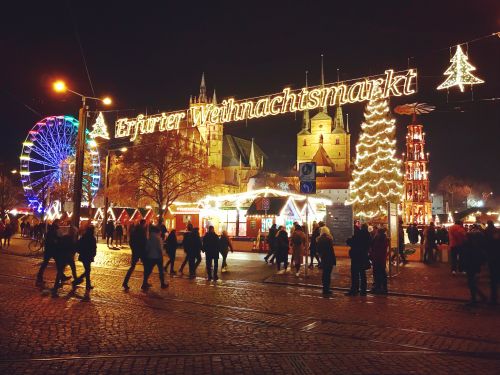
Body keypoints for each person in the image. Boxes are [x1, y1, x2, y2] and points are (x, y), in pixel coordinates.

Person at [462, 225, 487, 306]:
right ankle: (479, 297)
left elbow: (466, 256)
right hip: (473, 266)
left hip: (470, 266)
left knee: (471, 283)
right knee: (472, 282)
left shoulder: (468, 246)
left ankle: (475, 299)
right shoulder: (475, 246)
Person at [52, 225, 79, 297]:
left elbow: (59, 245)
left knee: (61, 272)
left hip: (63, 256)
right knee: (71, 269)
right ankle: (75, 281)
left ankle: (55, 290)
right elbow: (74, 248)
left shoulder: (65, 237)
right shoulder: (72, 239)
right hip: (67, 257)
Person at [346, 223, 371, 296]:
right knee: (363, 274)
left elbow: (351, 242)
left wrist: (349, 240)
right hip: (363, 256)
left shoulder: (359, 234)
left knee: (355, 274)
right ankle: (363, 290)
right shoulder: (368, 235)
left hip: (356, 256)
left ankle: (354, 289)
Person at [73, 225, 97, 299]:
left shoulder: (84, 236)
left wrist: (81, 251)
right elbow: (94, 247)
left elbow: (78, 245)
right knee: (87, 270)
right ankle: (79, 282)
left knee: (88, 270)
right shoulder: (92, 238)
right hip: (88, 256)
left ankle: (86, 284)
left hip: (84, 255)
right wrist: (93, 253)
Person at [122, 220, 147, 290]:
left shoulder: (134, 231)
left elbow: (131, 242)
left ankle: (125, 282)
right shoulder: (142, 231)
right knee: (146, 267)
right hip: (141, 251)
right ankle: (144, 283)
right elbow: (144, 241)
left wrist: (133, 249)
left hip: (135, 251)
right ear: (143, 224)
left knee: (132, 267)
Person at [142, 225, 168, 291]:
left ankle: (144, 283)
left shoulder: (149, 238)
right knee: (161, 271)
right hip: (158, 257)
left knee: (148, 270)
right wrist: (161, 255)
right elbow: (159, 248)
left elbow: (147, 248)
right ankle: (162, 284)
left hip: (150, 257)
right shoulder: (157, 238)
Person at [36, 220, 62, 286]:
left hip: (49, 249)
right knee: (57, 264)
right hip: (52, 249)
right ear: (56, 223)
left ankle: (39, 278)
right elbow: (54, 239)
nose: (60, 224)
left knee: (46, 264)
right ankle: (39, 278)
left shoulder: (51, 229)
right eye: (59, 223)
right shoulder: (55, 230)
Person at [317, 226, 336, 296]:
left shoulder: (319, 239)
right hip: (329, 258)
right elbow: (331, 251)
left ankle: (325, 288)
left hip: (323, 258)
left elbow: (318, 250)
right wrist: (334, 260)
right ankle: (326, 289)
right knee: (327, 274)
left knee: (325, 274)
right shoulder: (328, 239)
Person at [484, 220, 500, 305]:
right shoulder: (496, 230)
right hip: (497, 256)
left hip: (491, 257)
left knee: (493, 278)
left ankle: (494, 297)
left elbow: (485, 245)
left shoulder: (486, 231)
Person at [370, 227, 389, 294]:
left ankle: (378, 287)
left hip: (377, 258)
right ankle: (383, 287)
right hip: (381, 259)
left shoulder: (378, 238)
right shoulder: (384, 239)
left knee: (377, 273)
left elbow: (374, 248)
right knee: (382, 273)